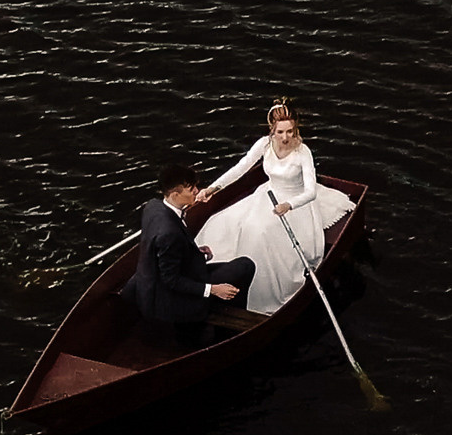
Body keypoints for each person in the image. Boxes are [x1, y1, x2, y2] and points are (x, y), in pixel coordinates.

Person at [194, 100, 356, 314]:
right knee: (221, 221)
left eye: (290, 131)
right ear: (272, 130)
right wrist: (212, 189)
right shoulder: (264, 144)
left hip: (295, 202)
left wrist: (289, 205)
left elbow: (311, 192)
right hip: (268, 195)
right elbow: (240, 168)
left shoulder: (303, 152)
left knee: (259, 233)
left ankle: (258, 294)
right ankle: (214, 276)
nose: (285, 137)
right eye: (280, 132)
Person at [126, 163, 257, 347]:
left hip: (165, 278)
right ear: (175, 194)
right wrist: (213, 289)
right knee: (245, 266)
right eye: (191, 188)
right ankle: (227, 333)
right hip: (170, 297)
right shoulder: (169, 233)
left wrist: (195, 251)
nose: (197, 190)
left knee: (241, 266)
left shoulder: (153, 207)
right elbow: (171, 280)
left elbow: (166, 250)